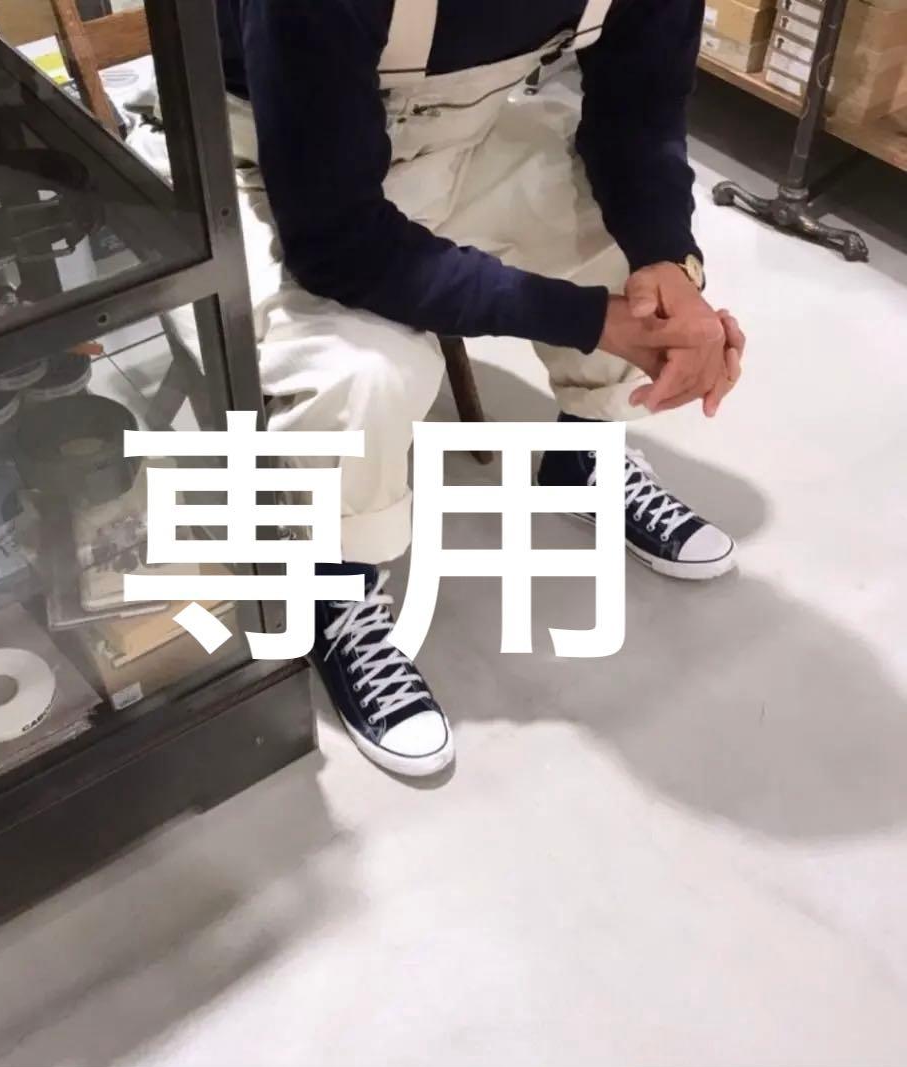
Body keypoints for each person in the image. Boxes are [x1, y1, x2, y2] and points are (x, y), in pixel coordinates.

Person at [166, 0, 747, 777]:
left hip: (461, 135)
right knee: (363, 374)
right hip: (271, 157)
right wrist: (586, 319)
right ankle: (334, 584)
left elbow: (639, 110)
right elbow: (336, 240)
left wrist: (670, 261)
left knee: (621, 245)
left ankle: (582, 456)